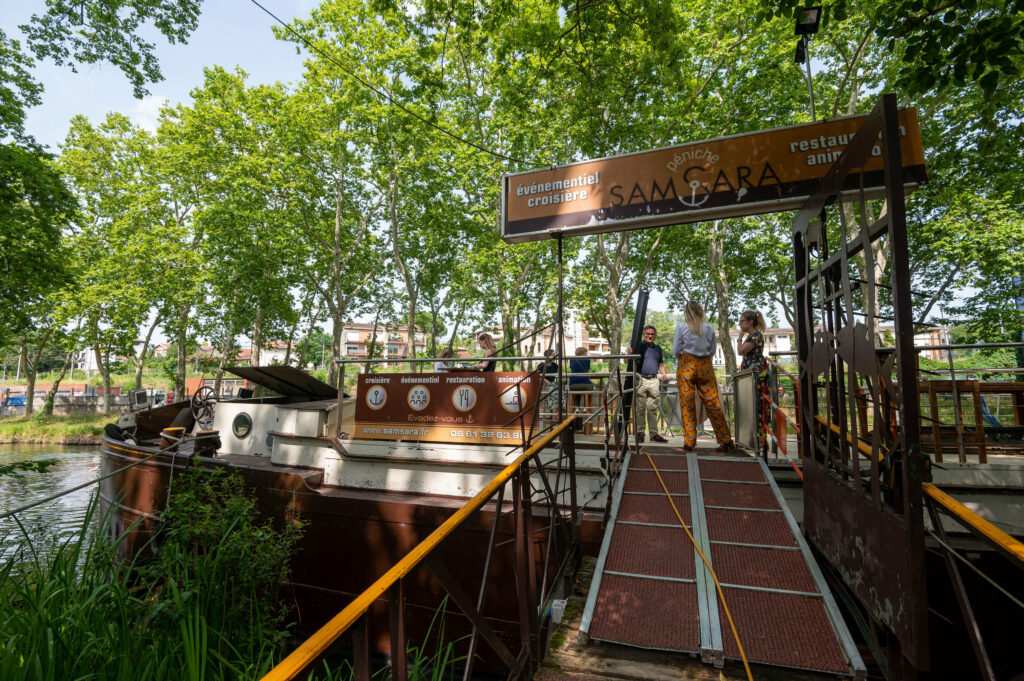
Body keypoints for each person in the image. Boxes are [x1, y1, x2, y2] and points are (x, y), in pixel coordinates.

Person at [673, 301, 734, 452]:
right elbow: (713, 349)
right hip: (705, 364)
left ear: (686, 312)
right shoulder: (709, 327)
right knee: (713, 402)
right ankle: (726, 441)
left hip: (687, 363)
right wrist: (704, 359)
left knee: (687, 404)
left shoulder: (682, 327)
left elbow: (676, 349)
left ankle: (689, 443)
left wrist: (682, 359)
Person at [628, 325, 668, 443]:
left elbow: (660, 363)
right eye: (648, 334)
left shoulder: (658, 349)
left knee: (652, 409)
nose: (650, 336)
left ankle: (654, 434)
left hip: (654, 380)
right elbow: (628, 361)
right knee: (640, 408)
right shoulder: (639, 346)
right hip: (641, 379)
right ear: (644, 335)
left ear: (655, 335)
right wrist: (629, 353)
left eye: (652, 334)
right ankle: (640, 433)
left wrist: (663, 373)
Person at [738, 310, 768, 452]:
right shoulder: (752, 336)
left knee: (757, 405)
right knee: (750, 406)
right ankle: (751, 438)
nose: (740, 324)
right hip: (749, 370)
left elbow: (741, 351)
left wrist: (739, 338)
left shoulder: (755, 336)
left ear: (750, 322)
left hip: (755, 371)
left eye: (742, 321)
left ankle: (760, 440)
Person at [568, 347, 594, 424]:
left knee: (578, 389)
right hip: (585, 384)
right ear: (582, 353)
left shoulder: (572, 360)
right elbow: (588, 371)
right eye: (586, 353)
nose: (587, 354)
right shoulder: (587, 360)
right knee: (590, 387)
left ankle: (577, 407)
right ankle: (587, 407)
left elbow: (572, 369)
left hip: (573, 385)